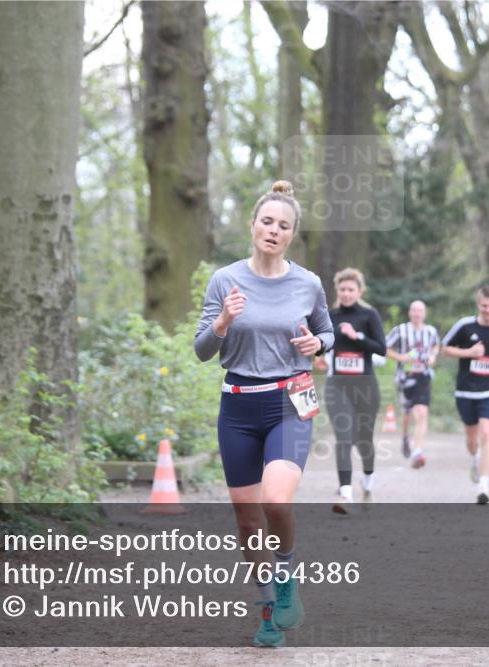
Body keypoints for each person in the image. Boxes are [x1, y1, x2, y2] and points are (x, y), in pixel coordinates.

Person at [194, 180, 333, 648]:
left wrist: (319, 344)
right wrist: (222, 322)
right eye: (267, 221)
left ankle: (288, 575)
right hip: (237, 403)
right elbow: (201, 350)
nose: (273, 230)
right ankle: (269, 608)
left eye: (284, 225)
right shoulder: (224, 280)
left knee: (277, 501)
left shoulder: (308, 283)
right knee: (249, 521)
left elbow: (326, 333)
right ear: (253, 225)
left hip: (292, 399)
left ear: (292, 235)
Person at [441, 285, 489, 504]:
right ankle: (475, 459)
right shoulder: (465, 326)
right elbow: (445, 348)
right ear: (478, 305)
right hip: (466, 391)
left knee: (486, 434)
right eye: (485, 306)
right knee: (472, 439)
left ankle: (484, 485)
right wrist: (469, 353)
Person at [324, 268, 386, 513]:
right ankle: (346, 493)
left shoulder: (369, 315)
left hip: (365, 387)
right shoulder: (331, 315)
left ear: (359, 291)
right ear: (337, 291)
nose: (347, 294)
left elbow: (381, 348)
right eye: (342, 290)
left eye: (351, 290)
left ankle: (368, 479)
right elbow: (322, 344)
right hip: (337, 386)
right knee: (343, 437)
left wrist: (356, 335)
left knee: (364, 440)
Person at [385, 300, 440, 469]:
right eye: (414, 310)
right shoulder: (400, 330)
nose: (417, 314)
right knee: (407, 414)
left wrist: (433, 357)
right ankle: (405, 437)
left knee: (421, 412)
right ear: (410, 313)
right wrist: (402, 358)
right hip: (404, 378)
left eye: (420, 311)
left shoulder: (430, 331)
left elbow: (436, 345)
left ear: (424, 313)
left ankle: (418, 451)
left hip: (423, 376)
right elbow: (384, 347)